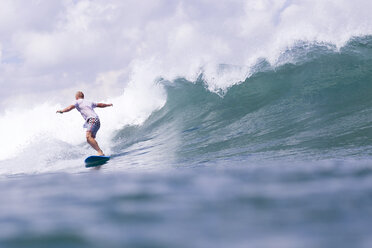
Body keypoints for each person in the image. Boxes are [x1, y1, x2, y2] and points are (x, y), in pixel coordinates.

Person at [56, 91, 113, 156]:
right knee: (89, 139)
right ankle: (100, 152)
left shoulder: (77, 101)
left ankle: (100, 152)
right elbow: (100, 105)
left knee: (88, 136)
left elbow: (69, 108)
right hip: (97, 121)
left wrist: (62, 111)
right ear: (83, 97)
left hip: (92, 119)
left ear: (76, 97)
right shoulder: (89, 101)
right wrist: (108, 105)